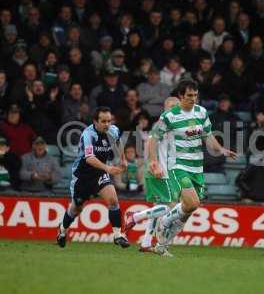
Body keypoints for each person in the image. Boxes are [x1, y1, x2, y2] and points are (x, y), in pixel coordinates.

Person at [148, 80, 237, 256]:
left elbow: (208, 136)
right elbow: (153, 138)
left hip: (197, 166)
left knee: (189, 209)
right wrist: (153, 161)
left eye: (195, 95)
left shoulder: (201, 112)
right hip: (178, 165)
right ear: (181, 96)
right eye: (189, 95)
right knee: (193, 202)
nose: (193, 99)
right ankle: (165, 221)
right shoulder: (169, 116)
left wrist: (221, 150)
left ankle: (162, 245)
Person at [56, 106, 130, 249]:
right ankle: (62, 229)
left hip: (99, 173)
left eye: (109, 121)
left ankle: (118, 235)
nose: (107, 124)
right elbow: (89, 158)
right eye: (103, 121)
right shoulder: (88, 135)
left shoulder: (113, 130)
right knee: (76, 209)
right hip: (82, 176)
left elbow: (118, 143)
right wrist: (108, 168)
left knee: (113, 200)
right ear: (95, 122)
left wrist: (123, 159)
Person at [125, 97, 181, 254]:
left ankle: (146, 242)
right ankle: (134, 217)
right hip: (159, 171)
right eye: (171, 106)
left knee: (159, 207)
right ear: (165, 108)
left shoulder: (172, 125)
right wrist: (154, 163)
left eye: (177, 106)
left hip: (164, 170)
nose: (175, 108)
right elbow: (150, 141)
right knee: (170, 207)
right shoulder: (164, 122)